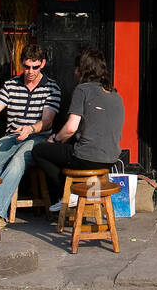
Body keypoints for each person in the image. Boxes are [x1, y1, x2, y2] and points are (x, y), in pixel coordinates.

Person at [0, 43, 61, 227]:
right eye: (27, 66)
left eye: (35, 67)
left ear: (43, 64)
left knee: (17, 162)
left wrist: (30, 128)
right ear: (21, 63)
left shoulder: (51, 87)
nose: (30, 71)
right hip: (12, 136)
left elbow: (47, 122)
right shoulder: (11, 84)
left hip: (38, 138)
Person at [32, 49, 124, 208]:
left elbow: (70, 128)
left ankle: (69, 192)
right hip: (110, 158)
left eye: (76, 68)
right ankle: (76, 193)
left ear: (82, 70)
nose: (74, 72)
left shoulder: (83, 90)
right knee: (68, 151)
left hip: (86, 157)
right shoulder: (115, 94)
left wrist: (54, 139)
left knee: (39, 151)